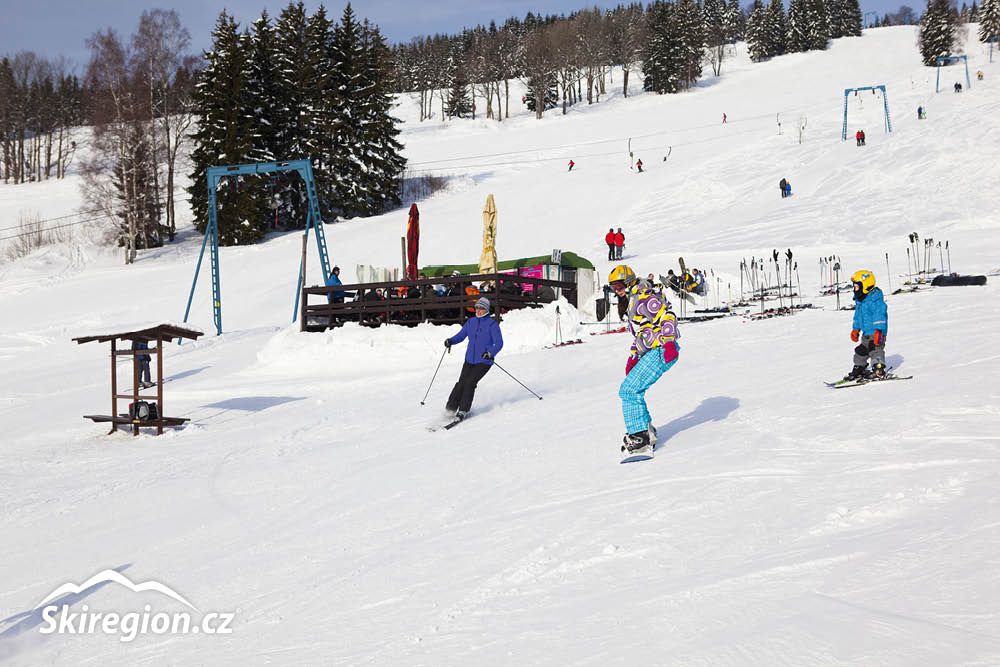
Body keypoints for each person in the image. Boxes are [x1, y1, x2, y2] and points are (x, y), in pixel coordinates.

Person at [608, 265, 680, 455]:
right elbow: (643, 331)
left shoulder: (643, 296)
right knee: (631, 389)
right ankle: (644, 430)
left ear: (628, 281)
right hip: (652, 349)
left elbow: (666, 315)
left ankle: (640, 436)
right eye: (613, 288)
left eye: (618, 285)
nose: (617, 291)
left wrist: (669, 342)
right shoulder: (633, 299)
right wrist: (634, 355)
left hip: (662, 349)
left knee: (629, 390)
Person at [443, 297, 503, 420]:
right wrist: (451, 341)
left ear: (486, 309)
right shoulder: (471, 322)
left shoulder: (492, 324)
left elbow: (499, 343)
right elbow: (461, 336)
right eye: (477, 308)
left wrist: (490, 353)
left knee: (470, 383)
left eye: (481, 308)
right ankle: (450, 408)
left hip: (484, 361)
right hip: (469, 359)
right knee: (461, 383)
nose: (478, 310)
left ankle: (463, 410)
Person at [844, 269, 888, 381]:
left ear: (866, 285)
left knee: (875, 350)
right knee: (860, 351)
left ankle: (878, 369)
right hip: (866, 335)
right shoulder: (861, 301)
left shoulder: (875, 300)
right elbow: (858, 317)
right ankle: (860, 367)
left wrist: (879, 330)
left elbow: (880, 316)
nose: (854, 289)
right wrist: (856, 330)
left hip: (877, 334)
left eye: (856, 287)